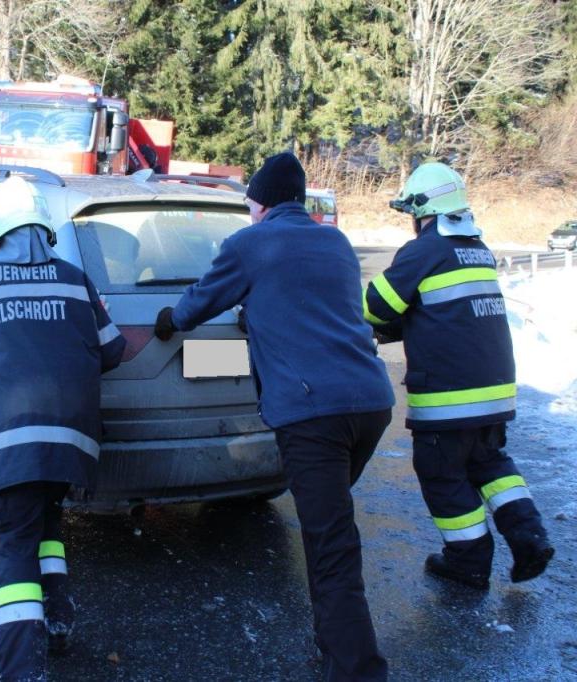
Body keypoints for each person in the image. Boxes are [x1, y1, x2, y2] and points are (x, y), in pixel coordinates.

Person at [154, 151, 395, 682]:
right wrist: (260, 314)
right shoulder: (335, 242)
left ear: (260, 203)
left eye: (250, 205)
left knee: (331, 545)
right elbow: (313, 301)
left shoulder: (250, 244)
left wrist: (170, 318)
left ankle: (356, 670)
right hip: (370, 404)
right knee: (330, 529)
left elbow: (198, 305)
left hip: (315, 414)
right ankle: (334, 649)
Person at [0, 176, 126, 682]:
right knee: (46, 525)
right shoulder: (74, 279)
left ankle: (17, 670)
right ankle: (57, 620)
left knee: (11, 548)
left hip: (12, 442)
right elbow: (113, 351)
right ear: (43, 229)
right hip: (74, 443)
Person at [363, 161, 553, 590]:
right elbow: (443, 314)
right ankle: (529, 537)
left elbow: (374, 307)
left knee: (442, 474)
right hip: (494, 393)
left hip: (449, 397)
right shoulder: (477, 249)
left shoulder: (424, 251)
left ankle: (467, 561)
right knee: (490, 463)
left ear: (421, 210)